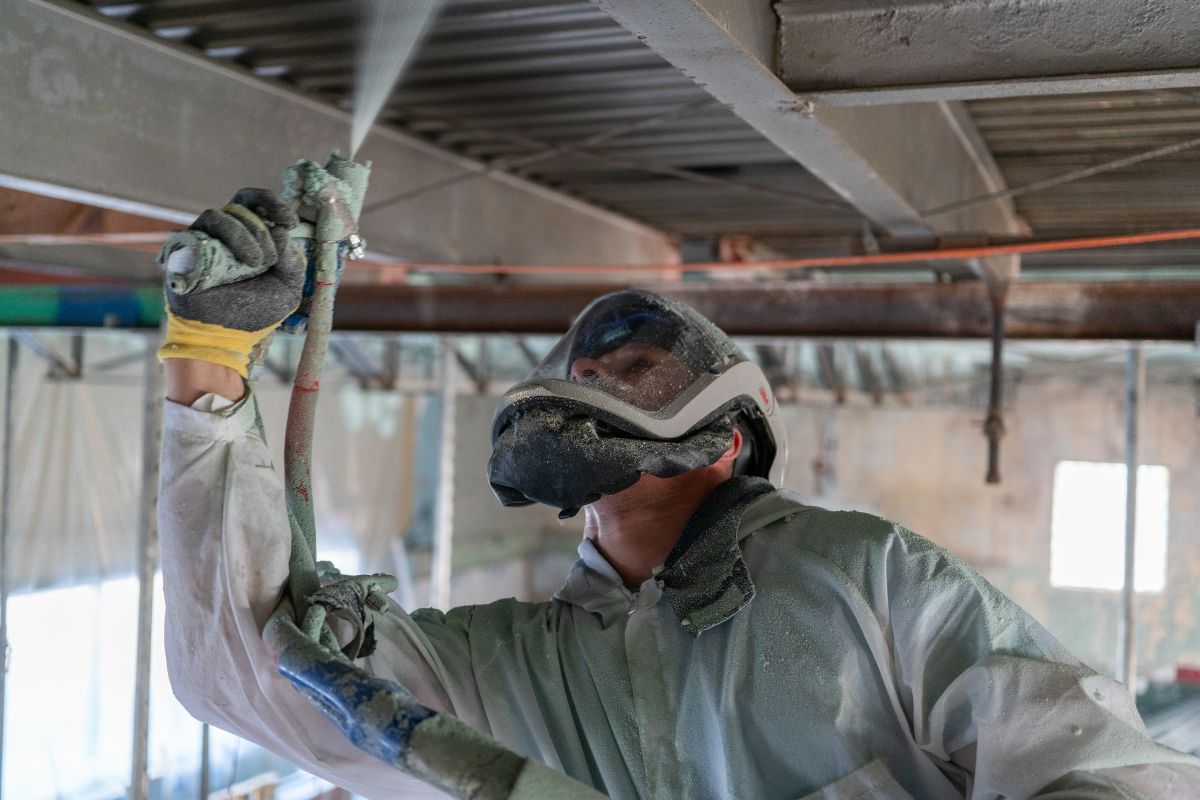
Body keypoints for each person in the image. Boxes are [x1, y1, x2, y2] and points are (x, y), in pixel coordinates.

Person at [160, 191, 1200, 799]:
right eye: (581, 365)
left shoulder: (861, 575)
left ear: (731, 430)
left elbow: (1111, 767)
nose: (595, 376)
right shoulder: (515, 661)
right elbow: (252, 666)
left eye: (637, 360)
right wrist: (209, 360)